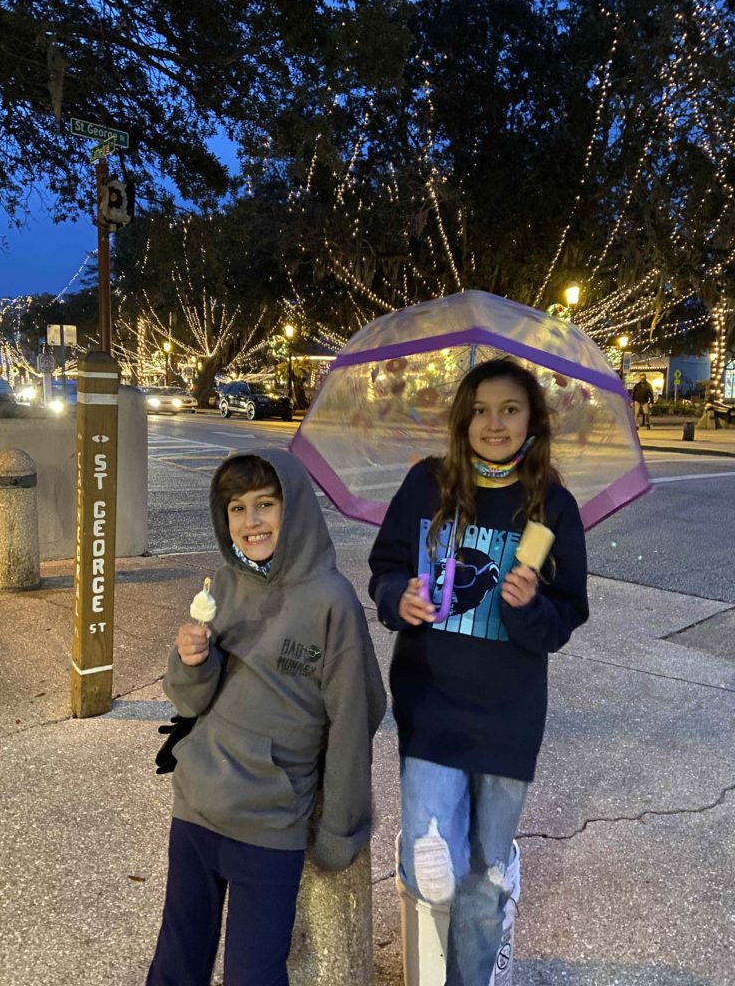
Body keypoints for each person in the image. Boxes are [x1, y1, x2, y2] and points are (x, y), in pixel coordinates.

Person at [368, 357, 589, 986]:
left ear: (531, 420)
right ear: (463, 420)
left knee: (483, 883)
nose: (494, 424)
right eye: (481, 411)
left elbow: (565, 618)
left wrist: (529, 607)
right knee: (431, 873)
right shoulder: (427, 484)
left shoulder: (552, 507)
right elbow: (384, 569)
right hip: (432, 706)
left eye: (509, 410)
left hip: (508, 719)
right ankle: (421, 853)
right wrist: (400, 598)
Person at [147, 448, 386, 986]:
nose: (251, 521)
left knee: (253, 972)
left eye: (265, 504)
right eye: (237, 508)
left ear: (293, 507)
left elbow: (354, 718)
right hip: (197, 804)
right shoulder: (222, 584)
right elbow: (189, 702)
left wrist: (341, 827)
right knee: (177, 959)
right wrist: (191, 662)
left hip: (269, 823)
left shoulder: (331, 601)